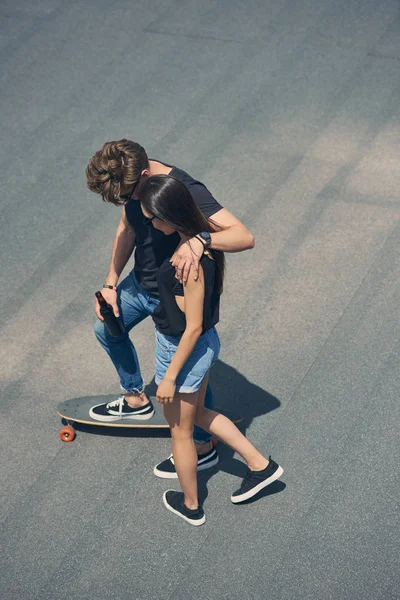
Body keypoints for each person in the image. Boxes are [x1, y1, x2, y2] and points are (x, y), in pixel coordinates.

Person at [85, 139, 255, 477]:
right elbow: (127, 228)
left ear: (146, 175)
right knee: (106, 328)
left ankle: (203, 444)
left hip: (174, 291)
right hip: (139, 284)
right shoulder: (131, 179)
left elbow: (244, 236)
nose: (128, 201)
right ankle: (135, 397)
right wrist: (111, 283)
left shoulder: (184, 190)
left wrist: (201, 239)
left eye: (128, 195)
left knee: (190, 378)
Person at [139, 175, 283, 526]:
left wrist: (169, 377)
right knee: (201, 414)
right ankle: (261, 466)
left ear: (170, 217)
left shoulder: (189, 262)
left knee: (181, 433)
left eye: (154, 218)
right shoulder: (201, 246)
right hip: (200, 347)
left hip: (183, 350)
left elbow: (192, 327)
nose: (152, 225)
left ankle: (191, 506)